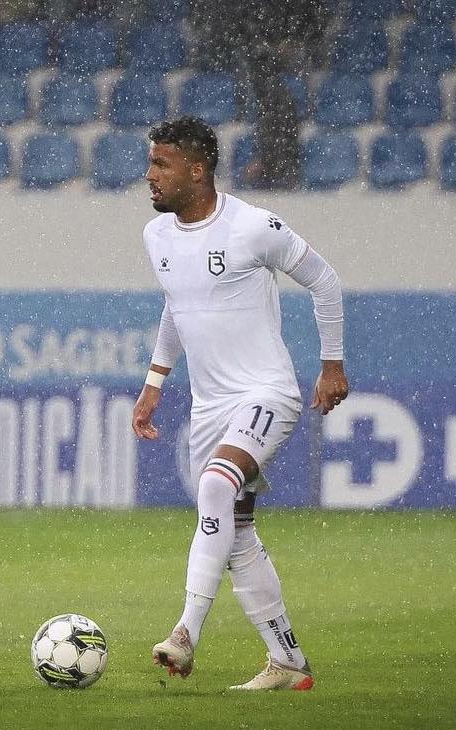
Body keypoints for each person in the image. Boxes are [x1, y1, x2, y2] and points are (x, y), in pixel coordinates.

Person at [132, 116, 349, 691]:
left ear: (197, 170)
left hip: (265, 391)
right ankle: (288, 662)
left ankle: (185, 633)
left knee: (215, 486)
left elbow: (325, 280)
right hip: (209, 407)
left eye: (161, 164)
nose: (149, 175)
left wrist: (332, 364)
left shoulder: (254, 226)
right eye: (150, 163)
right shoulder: (156, 237)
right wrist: (155, 381)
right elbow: (177, 305)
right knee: (237, 532)